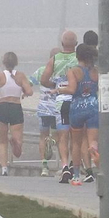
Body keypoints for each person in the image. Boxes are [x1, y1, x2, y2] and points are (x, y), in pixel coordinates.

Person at [40, 31, 79, 183]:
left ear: (62, 44)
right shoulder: (79, 59)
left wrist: (55, 85)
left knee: (63, 135)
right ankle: (74, 167)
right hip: (76, 99)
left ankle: (64, 166)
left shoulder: (54, 59)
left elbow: (44, 79)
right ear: (76, 44)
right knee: (76, 136)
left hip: (61, 100)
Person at [65, 43, 100, 185]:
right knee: (92, 140)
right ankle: (94, 150)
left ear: (77, 56)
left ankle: (77, 176)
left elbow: (72, 89)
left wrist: (59, 90)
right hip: (93, 106)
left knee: (76, 143)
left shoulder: (73, 71)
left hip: (77, 108)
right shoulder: (95, 72)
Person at [0, 52, 32, 176]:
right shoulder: (20, 76)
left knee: (2, 142)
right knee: (18, 147)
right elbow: (30, 91)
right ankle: (16, 143)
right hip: (15, 107)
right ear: (16, 63)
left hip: (3, 106)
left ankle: (4, 168)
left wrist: (0, 92)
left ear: (4, 62)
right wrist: (24, 92)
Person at [34, 63, 59, 176]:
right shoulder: (62, 70)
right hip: (57, 109)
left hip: (43, 109)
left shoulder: (41, 70)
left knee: (42, 136)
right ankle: (52, 142)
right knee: (59, 137)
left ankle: (44, 167)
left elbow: (29, 81)